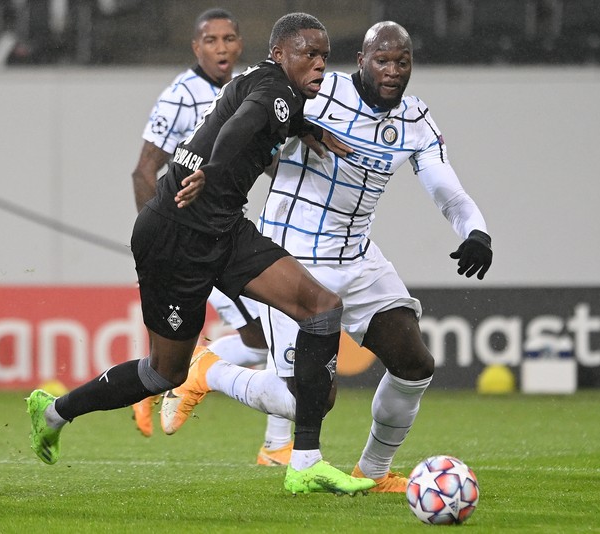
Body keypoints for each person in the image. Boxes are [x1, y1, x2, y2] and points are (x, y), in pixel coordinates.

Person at [26, 12, 376, 497]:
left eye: (323, 56)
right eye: (308, 54)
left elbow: (270, 114)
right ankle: (53, 412)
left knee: (322, 308)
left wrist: (309, 129)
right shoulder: (273, 92)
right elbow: (242, 125)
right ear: (279, 54)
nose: (319, 64)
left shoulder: (268, 83)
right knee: (161, 372)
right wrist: (211, 171)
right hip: (174, 235)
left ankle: (305, 462)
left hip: (224, 231)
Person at [159, 21, 493, 493]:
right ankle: (208, 370)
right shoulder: (316, 92)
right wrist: (212, 174)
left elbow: (447, 191)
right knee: (309, 400)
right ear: (361, 61)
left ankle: (373, 473)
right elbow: (248, 113)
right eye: (383, 60)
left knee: (415, 363)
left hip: (358, 258)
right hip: (293, 259)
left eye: (403, 62)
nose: (393, 71)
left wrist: (475, 230)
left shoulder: (416, 120)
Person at [127, 8, 272, 438]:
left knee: (259, 337)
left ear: (240, 44)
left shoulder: (245, 86)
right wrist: (159, 240)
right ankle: (179, 378)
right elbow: (143, 171)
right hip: (189, 241)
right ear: (197, 46)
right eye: (211, 40)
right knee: (262, 334)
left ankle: (153, 383)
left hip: (219, 233)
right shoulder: (180, 96)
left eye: (229, 38)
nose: (221, 47)